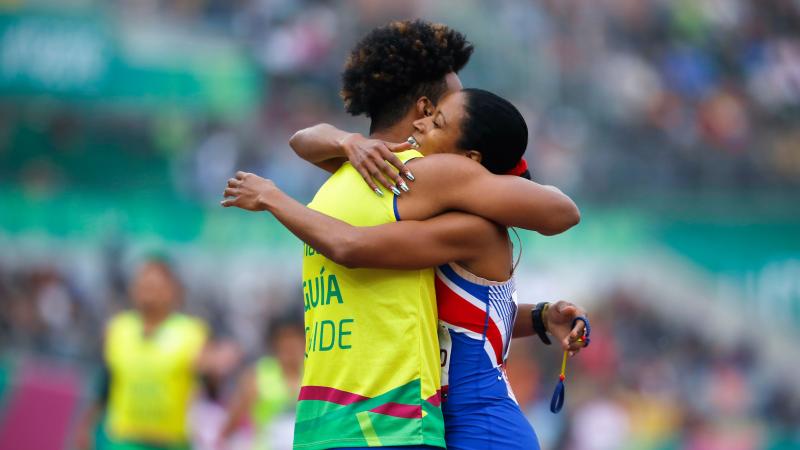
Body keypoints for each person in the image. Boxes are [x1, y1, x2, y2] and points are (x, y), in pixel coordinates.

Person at [223, 20, 579, 450]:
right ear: (424, 108)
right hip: (400, 424)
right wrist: (539, 317)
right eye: (445, 108)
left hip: (376, 421)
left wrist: (288, 186)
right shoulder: (397, 172)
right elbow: (462, 317)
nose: (433, 124)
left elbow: (316, 171)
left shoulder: (355, 177)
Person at [76, 257, 211, 450]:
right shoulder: (118, 329)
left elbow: (207, 383)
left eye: (156, 287)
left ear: (172, 291)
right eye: (144, 285)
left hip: (169, 441)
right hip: (124, 440)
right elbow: (106, 383)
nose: (149, 293)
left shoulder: (191, 333)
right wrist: (86, 425)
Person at [218, 316, 305, 450]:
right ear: (275, 343)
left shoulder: (313, 375)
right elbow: (232, 421)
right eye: (284, 340)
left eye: (295, 340)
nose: (290, 346)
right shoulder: (258, 375)